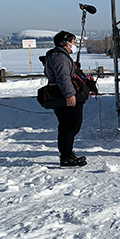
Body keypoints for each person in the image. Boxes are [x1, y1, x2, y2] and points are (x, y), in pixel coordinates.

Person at [43, 31, 87, 167]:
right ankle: (66, 157)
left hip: (62, 93)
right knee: (70, 125)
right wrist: (69, 94)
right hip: (63, 95)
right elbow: (63, 77)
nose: (74, 45)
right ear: (64, 42)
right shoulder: (59, 57)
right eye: (73, 42)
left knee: (68, 126)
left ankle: (68, 153)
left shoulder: (58, 55)